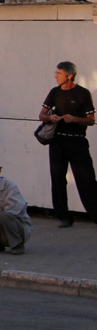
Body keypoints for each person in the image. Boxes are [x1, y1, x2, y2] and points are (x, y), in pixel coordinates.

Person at [39, 61, 97, 227]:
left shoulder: (83, 93)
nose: (56, 76)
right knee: (57, 179)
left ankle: (95, 214)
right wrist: (51, 117)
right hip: (57, 142)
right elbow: (42, 115)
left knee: (86, 179)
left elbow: (91, 120)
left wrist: (74, 119)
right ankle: (63, 216)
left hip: (77, 141)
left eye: (59, 73)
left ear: (69, 75)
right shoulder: (54, 92)